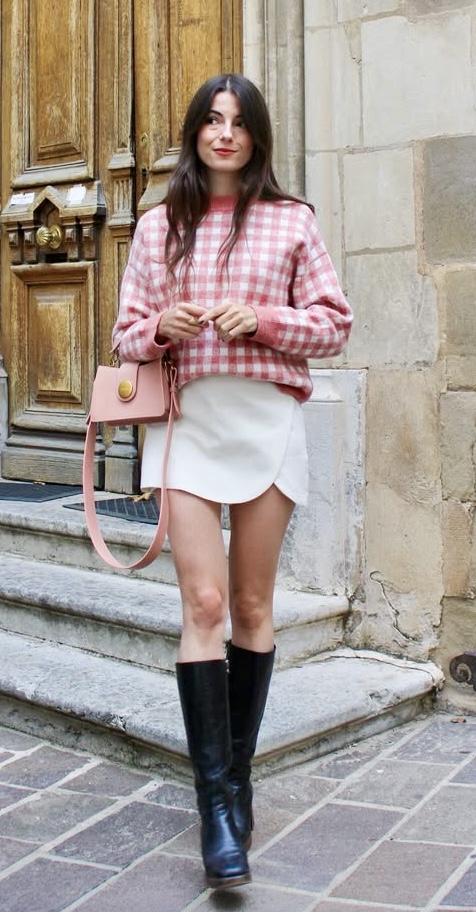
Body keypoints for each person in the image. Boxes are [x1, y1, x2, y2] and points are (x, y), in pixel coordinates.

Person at [112, 73, 353, 889]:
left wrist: (265, 320)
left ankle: (237, 781)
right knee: (205, 605)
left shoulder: (291, 220)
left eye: (239, 122)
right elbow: (125, 335)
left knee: (251, 606)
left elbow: (334, 324)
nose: (224, 133)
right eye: (212, 120)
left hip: (266, 422)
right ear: (195, 131)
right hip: (187, 424)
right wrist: (159, 327)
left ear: (256, 136)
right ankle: (216, 808)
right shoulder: (158, 225)